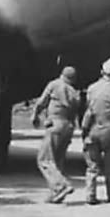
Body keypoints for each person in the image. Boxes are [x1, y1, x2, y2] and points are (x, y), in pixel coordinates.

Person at [33, 66, 82, 203]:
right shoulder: (74, 92)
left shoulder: (54, 84)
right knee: (58, 161)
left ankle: (61, 185)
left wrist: (35, 115)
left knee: (44, 160)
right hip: (68, 126)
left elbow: (42, 102)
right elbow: (75, 112)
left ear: (62, 75)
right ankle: (55, 193)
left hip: (55, 124)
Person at [81, 57, 110, 205]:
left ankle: (90, 195)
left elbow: (89, 109)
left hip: (93, 129)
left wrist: (84, 130)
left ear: (102, 72)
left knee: (92, 166)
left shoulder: (92, 88)